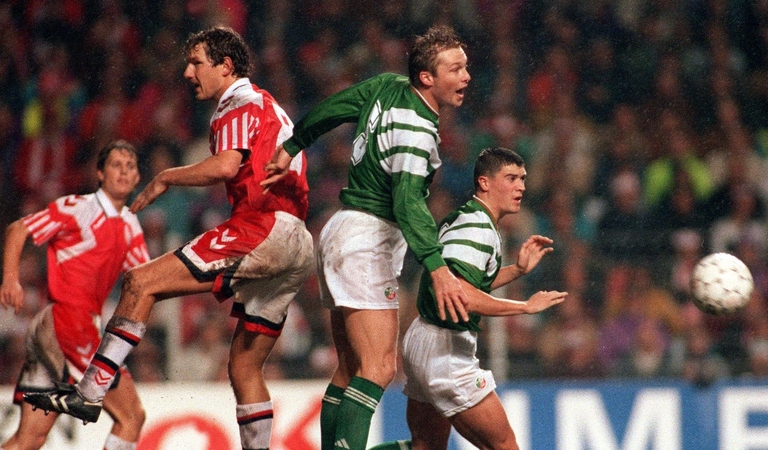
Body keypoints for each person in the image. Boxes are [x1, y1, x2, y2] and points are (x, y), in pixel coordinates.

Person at [25, 26, 314, 450]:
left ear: (225, 66)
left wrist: (166, 177)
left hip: (263, 227)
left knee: (140, 282)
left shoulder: (238, 101)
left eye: (196, 62)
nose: (187, 72)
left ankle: (90, 393)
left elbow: (226, 166)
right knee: (245, 369)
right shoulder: (268, 104)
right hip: (296, 240)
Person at [261, 24, 472, 450]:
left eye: (465, 66)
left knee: (350, 368)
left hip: (340, 229)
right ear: (427, 78)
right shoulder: (417, 127)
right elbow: (408, 202)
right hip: (368, 240)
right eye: (456, 68)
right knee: (378, 367)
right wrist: (437, 267)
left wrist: (292, 145)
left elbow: (335, 107)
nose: (466, 75)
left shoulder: (387, 86)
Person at [371, 147, 567, 450]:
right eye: (511, 178)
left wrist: (516, 270)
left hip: (424, 337)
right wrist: (525, 307)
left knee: (426, 446)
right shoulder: (477, 227)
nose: (522, 187)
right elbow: (460, 293)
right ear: (485, 182)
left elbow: (464, 280)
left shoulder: (468, 217)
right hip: (445, 347)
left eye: (523, 179)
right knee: (504, 446)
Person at [1, 140, 149, 450]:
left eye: (130, 167)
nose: (123, 172)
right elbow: (18, 229)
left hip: (52, 328)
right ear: (99, 173)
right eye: (116, 165)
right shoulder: (78, 208)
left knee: (30, 438)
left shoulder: (131, 223)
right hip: (71, 323)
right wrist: (11, 279)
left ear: (138, 178)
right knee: (131, 417)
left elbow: (146, 279)